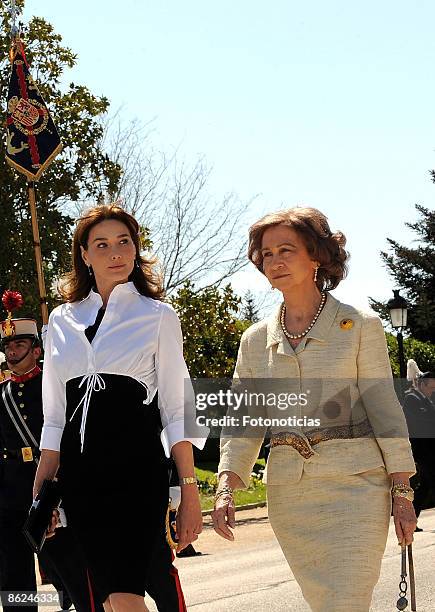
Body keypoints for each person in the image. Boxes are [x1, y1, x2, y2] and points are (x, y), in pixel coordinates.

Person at [212, 207, 417, 612]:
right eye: (266, 254)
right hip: (291, 496)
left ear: (317, 257)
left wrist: (402, 489)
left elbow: (386, 412)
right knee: (325, 603)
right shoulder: (254, 341)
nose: (275, 261)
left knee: (346, 600)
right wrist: (225, 485)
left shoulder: (360, 326)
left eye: (286, 249)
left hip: (357, 488)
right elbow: (245, 422)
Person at [33, 204, 207, 612]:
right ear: (84, 254)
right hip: (81, 479)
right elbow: (54, 414)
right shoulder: (61, 319)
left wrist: (189, 489)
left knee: (126, 595)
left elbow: (176, 407)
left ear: (136, 249)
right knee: (110, 599)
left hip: (136, 471)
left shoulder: (158, 316)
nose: (116, 253)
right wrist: (42, 486)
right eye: (103, 244)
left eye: (124, 242)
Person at [0, 292, 102, 612]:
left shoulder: (53, 384)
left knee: (71, 568)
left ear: (36, 349)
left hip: (49, 489)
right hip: (10, 491)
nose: (12, 351)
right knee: (14, 580)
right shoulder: (1, 393)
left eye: (19, 345)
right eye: (8, 347)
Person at [403, 360, 435, 529]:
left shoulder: (425, 400)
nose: (432, 390)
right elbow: (416, 422)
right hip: (423, 450)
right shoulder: (412, 399)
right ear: (422, 384)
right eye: (430, 387)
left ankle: (411, 519)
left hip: (429, 449)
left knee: (426, 485)